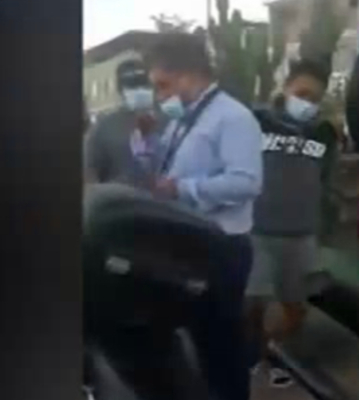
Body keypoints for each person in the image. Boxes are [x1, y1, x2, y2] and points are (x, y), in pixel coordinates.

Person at [131, 32, 263, 400]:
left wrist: (183, 189)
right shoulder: (181, 120)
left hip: (221, 247)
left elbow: (247, 182)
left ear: (189, 74)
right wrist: (145, 143)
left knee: (221, 351)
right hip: (187, 244)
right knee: (195, 347)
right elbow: (165, 168)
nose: (159, 96)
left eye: (163, 85)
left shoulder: (232, 118)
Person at [246, 58, 338, 388]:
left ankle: (276, 353)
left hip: (301, 235)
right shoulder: (256, 121)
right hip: (257, 230)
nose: (308, 103)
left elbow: (325, 179)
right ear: (285, 89)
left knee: (296, 309)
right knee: (251, 305)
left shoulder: (324, 133)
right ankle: (254, 360)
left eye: (315, 98)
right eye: (302, 94)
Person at [83, 59, 162, 186]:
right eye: (132, 86)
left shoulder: (171, 119)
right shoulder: (105, 127)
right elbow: (90, 172)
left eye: (143, 84)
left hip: (167, 195)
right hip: (123, 196)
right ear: (120, 90)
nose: (139, 90)